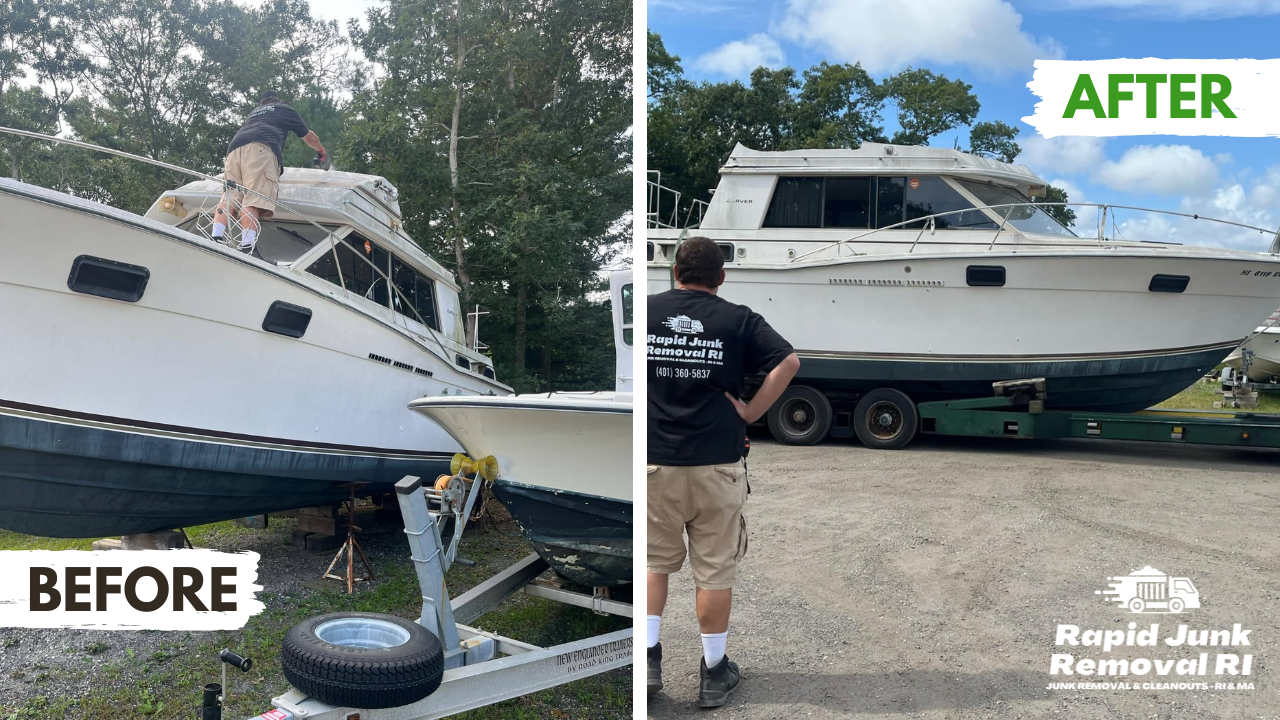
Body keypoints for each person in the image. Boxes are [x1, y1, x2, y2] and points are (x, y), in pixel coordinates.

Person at [647, 236, 801, 708]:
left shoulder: (650, 311)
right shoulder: (739, 320)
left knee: (655, 565)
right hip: (717, 465)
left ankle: (648, 664)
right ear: (721, 277)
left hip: (655, 464)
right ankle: (714, 673)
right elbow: (789, 361)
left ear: (675, 271)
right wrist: (752, 411)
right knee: (713, 572)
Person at [212, 90, 326, 253]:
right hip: (260, 148)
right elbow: (310, 138)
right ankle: (247, 247)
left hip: (234, 150)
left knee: (231, 196)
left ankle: (215, 237)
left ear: (262, 103)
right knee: (254, 195)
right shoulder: (283, 109)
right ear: (278, 99)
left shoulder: (254, 114)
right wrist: (321, 151)